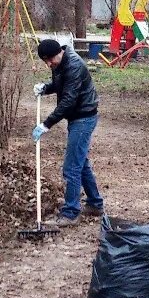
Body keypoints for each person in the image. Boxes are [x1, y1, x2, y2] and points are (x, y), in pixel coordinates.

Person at [32, 39, 103, 226]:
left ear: (58, 52)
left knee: (71, 167)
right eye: (45, 62)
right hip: (76, 117)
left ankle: (70, 213)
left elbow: (68, 100)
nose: (49, 65)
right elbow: (60, 84)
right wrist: (46, 88)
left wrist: (47, 124)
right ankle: (95, 204)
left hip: (84, 118)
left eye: (50, 60)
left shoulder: (74, 65)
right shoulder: (59, 63)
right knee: (81, 163)